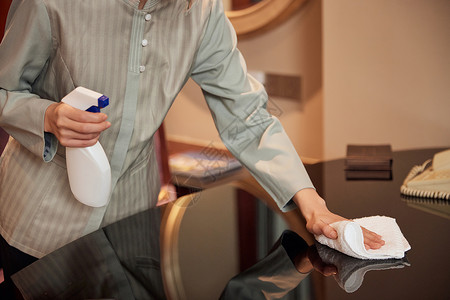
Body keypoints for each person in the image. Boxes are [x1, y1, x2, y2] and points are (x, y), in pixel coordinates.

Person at [0, 0, 384, 297]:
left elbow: (247, 115)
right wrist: (48, 116)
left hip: (132, 225)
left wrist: (314, 207)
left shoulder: (200, 11)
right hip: (40, 226)